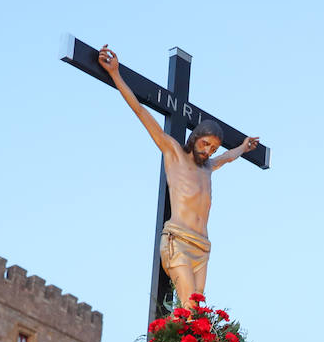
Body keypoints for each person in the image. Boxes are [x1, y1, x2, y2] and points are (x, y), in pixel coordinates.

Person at [97, 44, 259, 312]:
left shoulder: (209, 167)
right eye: (205, 144)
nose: (208, 151)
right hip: (178, 240)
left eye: (213, 148)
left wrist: (243, 147)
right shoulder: (174, 153)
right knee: (189, 310)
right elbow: (140, 111)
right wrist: (115, 74)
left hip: (202, 247)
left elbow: (228, 157)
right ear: (195, 138)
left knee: (195, 315)